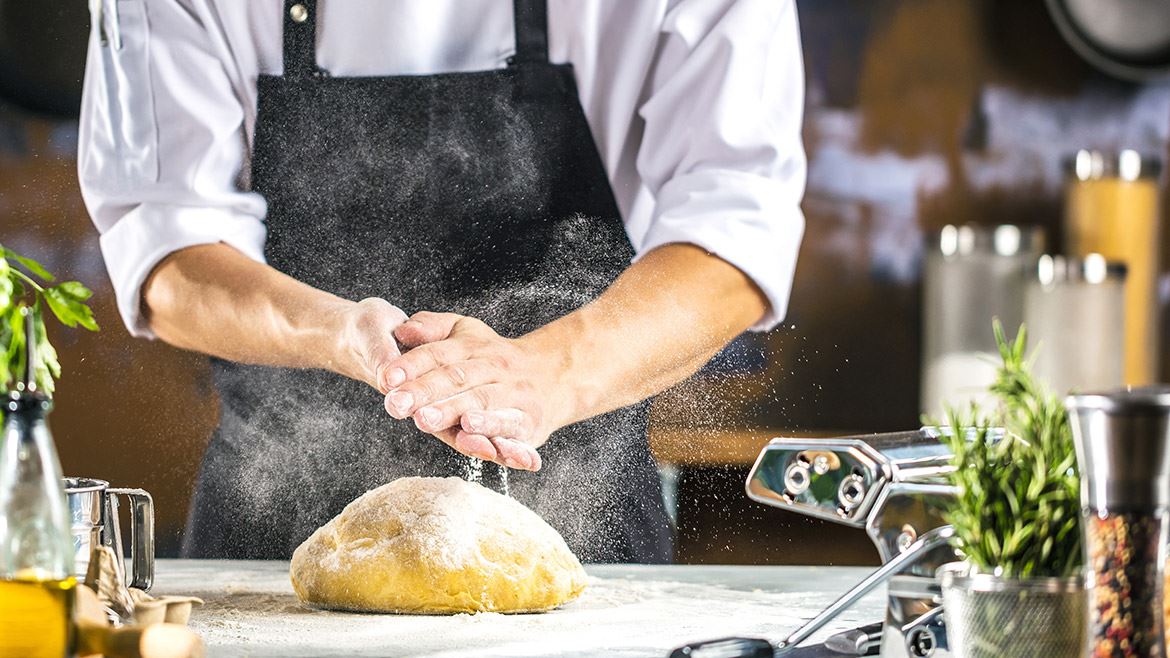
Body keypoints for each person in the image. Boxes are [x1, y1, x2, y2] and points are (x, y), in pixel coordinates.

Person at [79, 0, 806, 563]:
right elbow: (167, 250)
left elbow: (736, 226)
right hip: (265, 546)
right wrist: (342, 333)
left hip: (588, 547)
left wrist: (545, 374)